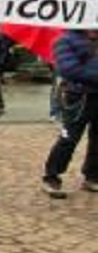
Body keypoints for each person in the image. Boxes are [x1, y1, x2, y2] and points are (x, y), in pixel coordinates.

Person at [41, 28, 98, 198]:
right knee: (69, 138)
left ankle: (92, 176)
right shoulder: (65, 40)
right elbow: (69, 70)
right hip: (79, 96)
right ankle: (51, 177)